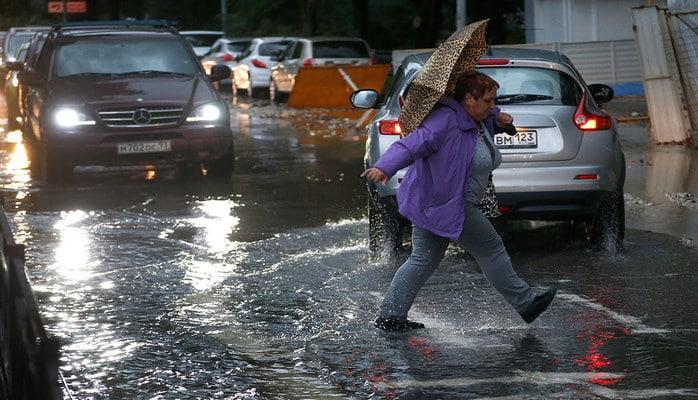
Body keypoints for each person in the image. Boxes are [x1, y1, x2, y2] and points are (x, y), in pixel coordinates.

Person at [361, 71, 557, 331]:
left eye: (493, 100)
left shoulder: (479, 118)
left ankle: (391, 316)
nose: (492, 105)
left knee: (422, 259)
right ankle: (526, 303)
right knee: (491, 249)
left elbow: (487, 129)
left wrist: (502, 122)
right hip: (448, 202)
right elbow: (411, 145)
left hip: (434, 201)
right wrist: (385, 167)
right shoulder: (444, 121)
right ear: (467, 98)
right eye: (487, 100)